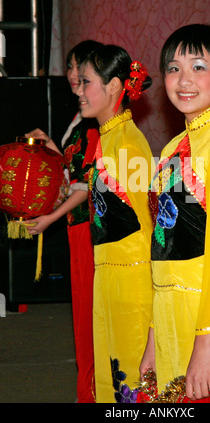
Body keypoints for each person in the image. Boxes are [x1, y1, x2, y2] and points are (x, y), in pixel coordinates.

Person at [139, 24, 210, 403]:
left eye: (198, 67)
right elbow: (164, 247)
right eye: (174, 69)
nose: (183, 80)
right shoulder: (175, 147)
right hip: (171, 311)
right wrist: (154, 340)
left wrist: (205, 345)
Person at [76, 43, 154, 403]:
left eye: (86, 81)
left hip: (131, 281)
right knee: (113, 383)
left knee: (133, 387)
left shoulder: (126, 145)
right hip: (110, 274)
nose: (78, 90)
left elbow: (150, 225)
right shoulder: (108, 138)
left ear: (113, 87)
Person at [26, 40, 100, 403]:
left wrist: (48, 218)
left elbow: (86, 186)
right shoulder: (82, 118)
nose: (73, 76)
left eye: (81, 69)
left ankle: (96, 393)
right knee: (86, 315)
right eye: (71, 67)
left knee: (93, 316)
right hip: (78, 228)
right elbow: (75, 175)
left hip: (91, 230)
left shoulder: (97, 125)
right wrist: (53, 149)